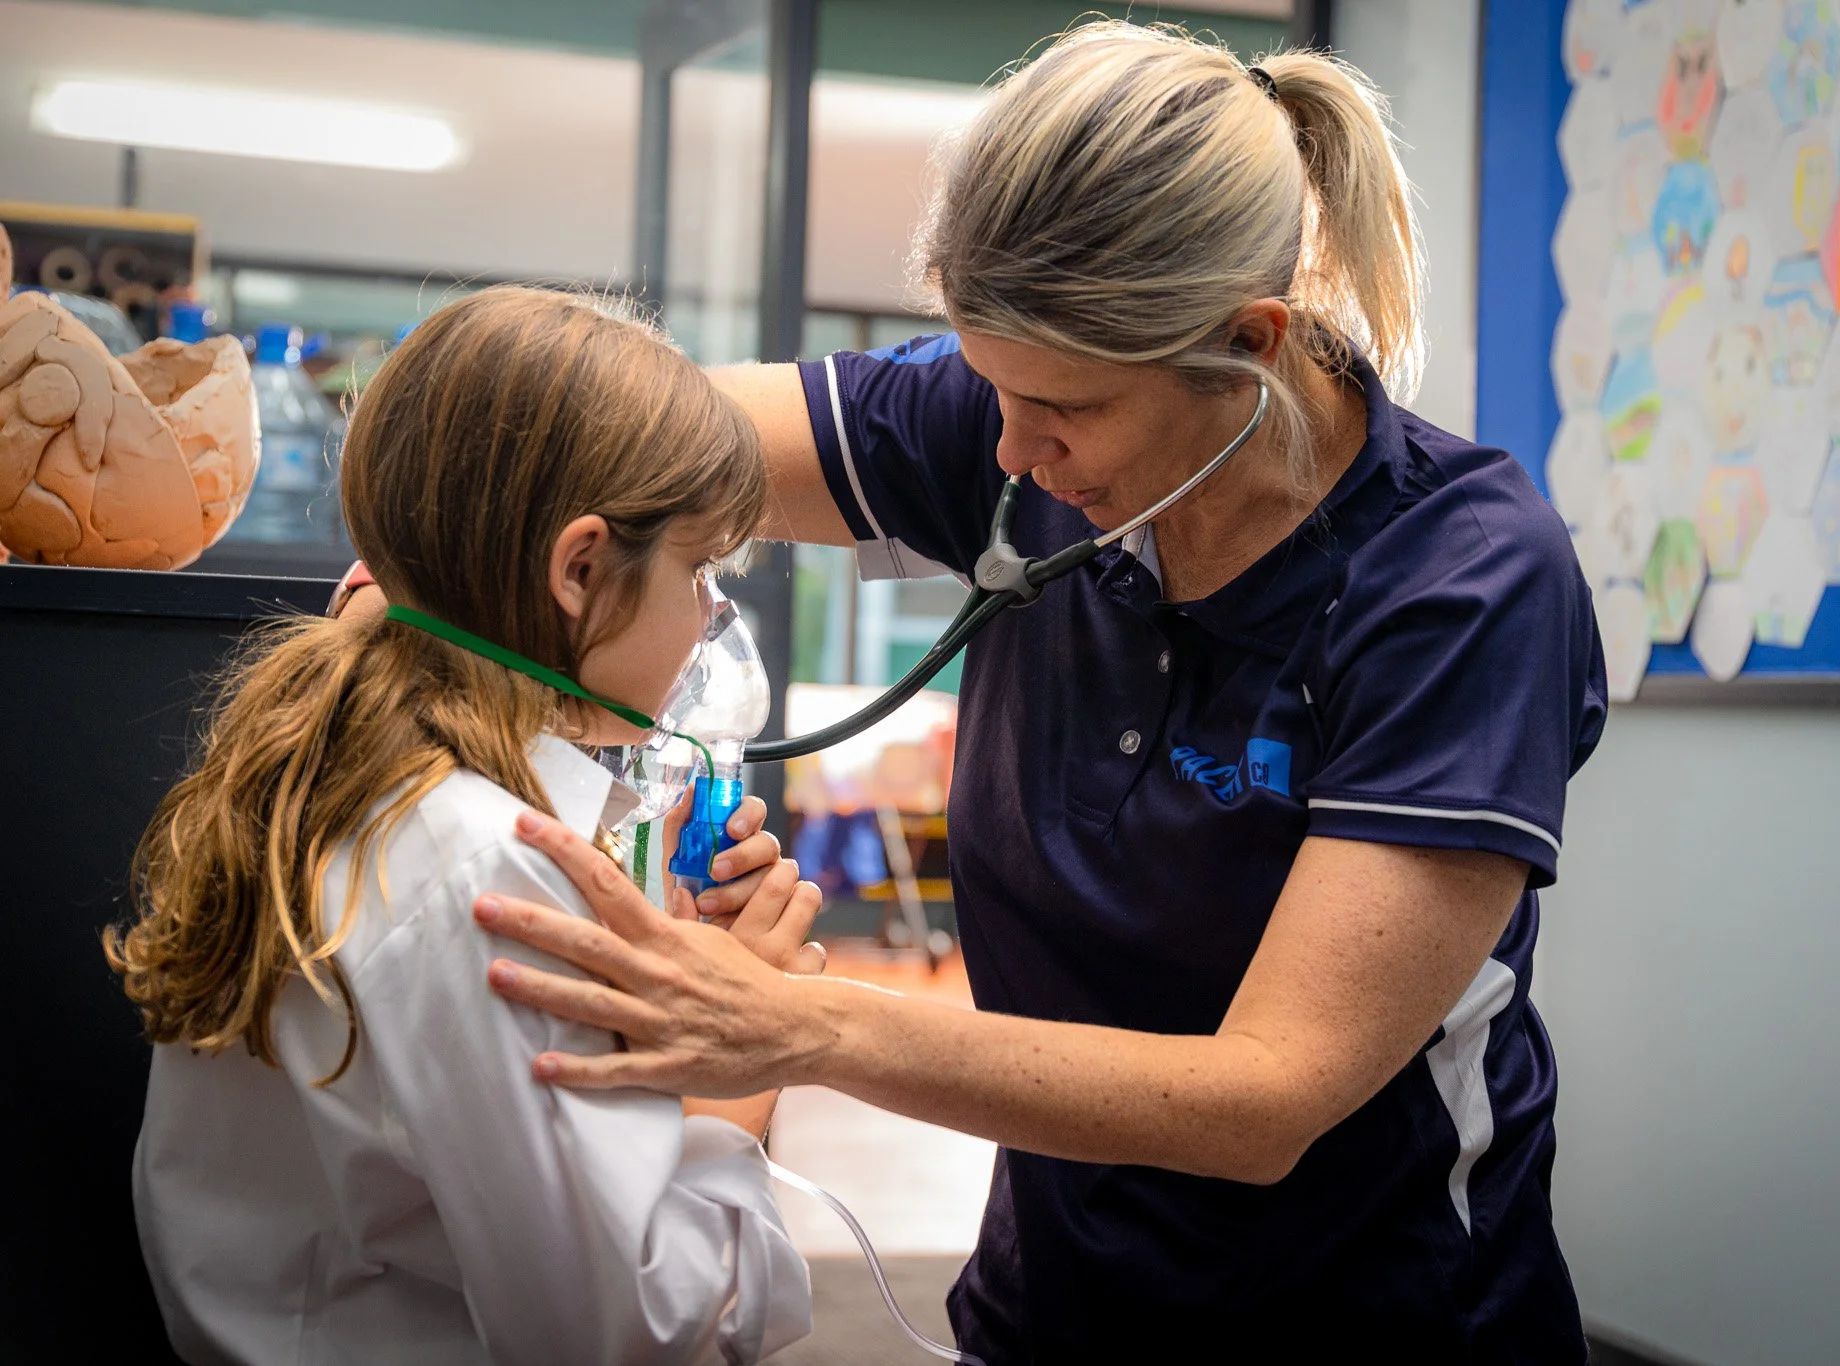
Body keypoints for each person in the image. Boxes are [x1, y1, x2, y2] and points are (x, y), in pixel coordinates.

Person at [363, 22, 1606, 1362]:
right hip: (1046, 1312)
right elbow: (603, 444)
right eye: (986, 382)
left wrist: (799, 1022)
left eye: (1061, 407)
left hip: (1382, 1320)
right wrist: (441, 555)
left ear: (1248, 347)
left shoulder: (1460, 583)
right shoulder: (1015, 429)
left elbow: (1263, 1099)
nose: (1009, 447)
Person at [104, 287, 823, 1366]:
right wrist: (735, 1079)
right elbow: (626, 1329)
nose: (709, 617)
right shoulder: (492, 867)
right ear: (579, 570)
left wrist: (634, 1012)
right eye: (699, 569)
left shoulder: (340, 777)